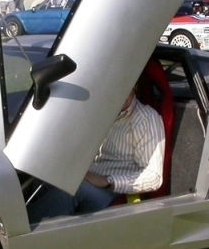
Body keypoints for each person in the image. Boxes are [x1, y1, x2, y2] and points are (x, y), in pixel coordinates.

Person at [27, 87, 165, 223]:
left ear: (134, 87)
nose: (119, 92)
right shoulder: (103, 112)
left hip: (114, 189)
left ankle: (29, 236)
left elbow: (154, 177)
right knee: (46, 176)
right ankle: (21, 221)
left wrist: (108, 181)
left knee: (69, 192)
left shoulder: (146, 119)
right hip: (89, 175)